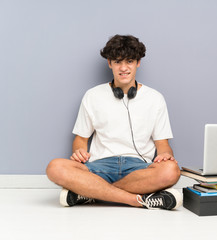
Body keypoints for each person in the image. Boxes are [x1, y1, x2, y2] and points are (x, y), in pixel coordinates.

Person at [46, 34, 182, 210]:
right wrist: (79, 151)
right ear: (109, 63)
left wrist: (165, 155)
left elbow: (163, 144)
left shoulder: (155, 98)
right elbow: (80, 140)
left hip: (139, 170)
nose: (123, 68)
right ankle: (136, 200)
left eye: (130, 61)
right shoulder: (92, 95)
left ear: (138, 63)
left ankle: (88, 193)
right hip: (98, 168)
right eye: (117, 62)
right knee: (55, 167)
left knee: (171, 170)